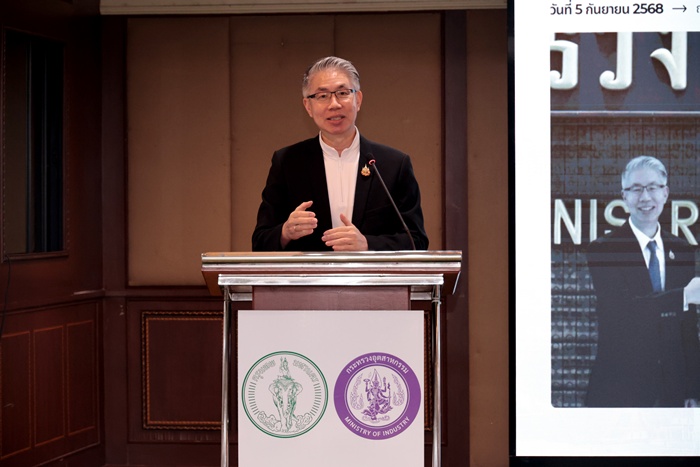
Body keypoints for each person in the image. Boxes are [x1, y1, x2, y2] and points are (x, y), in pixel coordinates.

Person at [252, 56, 428, 252]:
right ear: (308, 106)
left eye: (343, 93)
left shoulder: (393, 165)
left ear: (358, 100)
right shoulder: (288, 163)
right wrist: (285, 232)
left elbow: (417, 241)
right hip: (308, 273)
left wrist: (367, 244)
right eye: (322, 96)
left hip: (373, 273)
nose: (334, 104)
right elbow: (260, 242)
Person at [586, 155, 700, 407]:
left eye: (652, 188)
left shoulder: (682, 250)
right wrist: (683, 296)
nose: (645, 197)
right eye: (636, 189)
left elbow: (688, 329)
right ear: (624, 197)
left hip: (673, 392)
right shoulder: (603, 250)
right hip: (619, 390)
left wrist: (693, 390)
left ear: (665, 193)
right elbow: (622, 312)